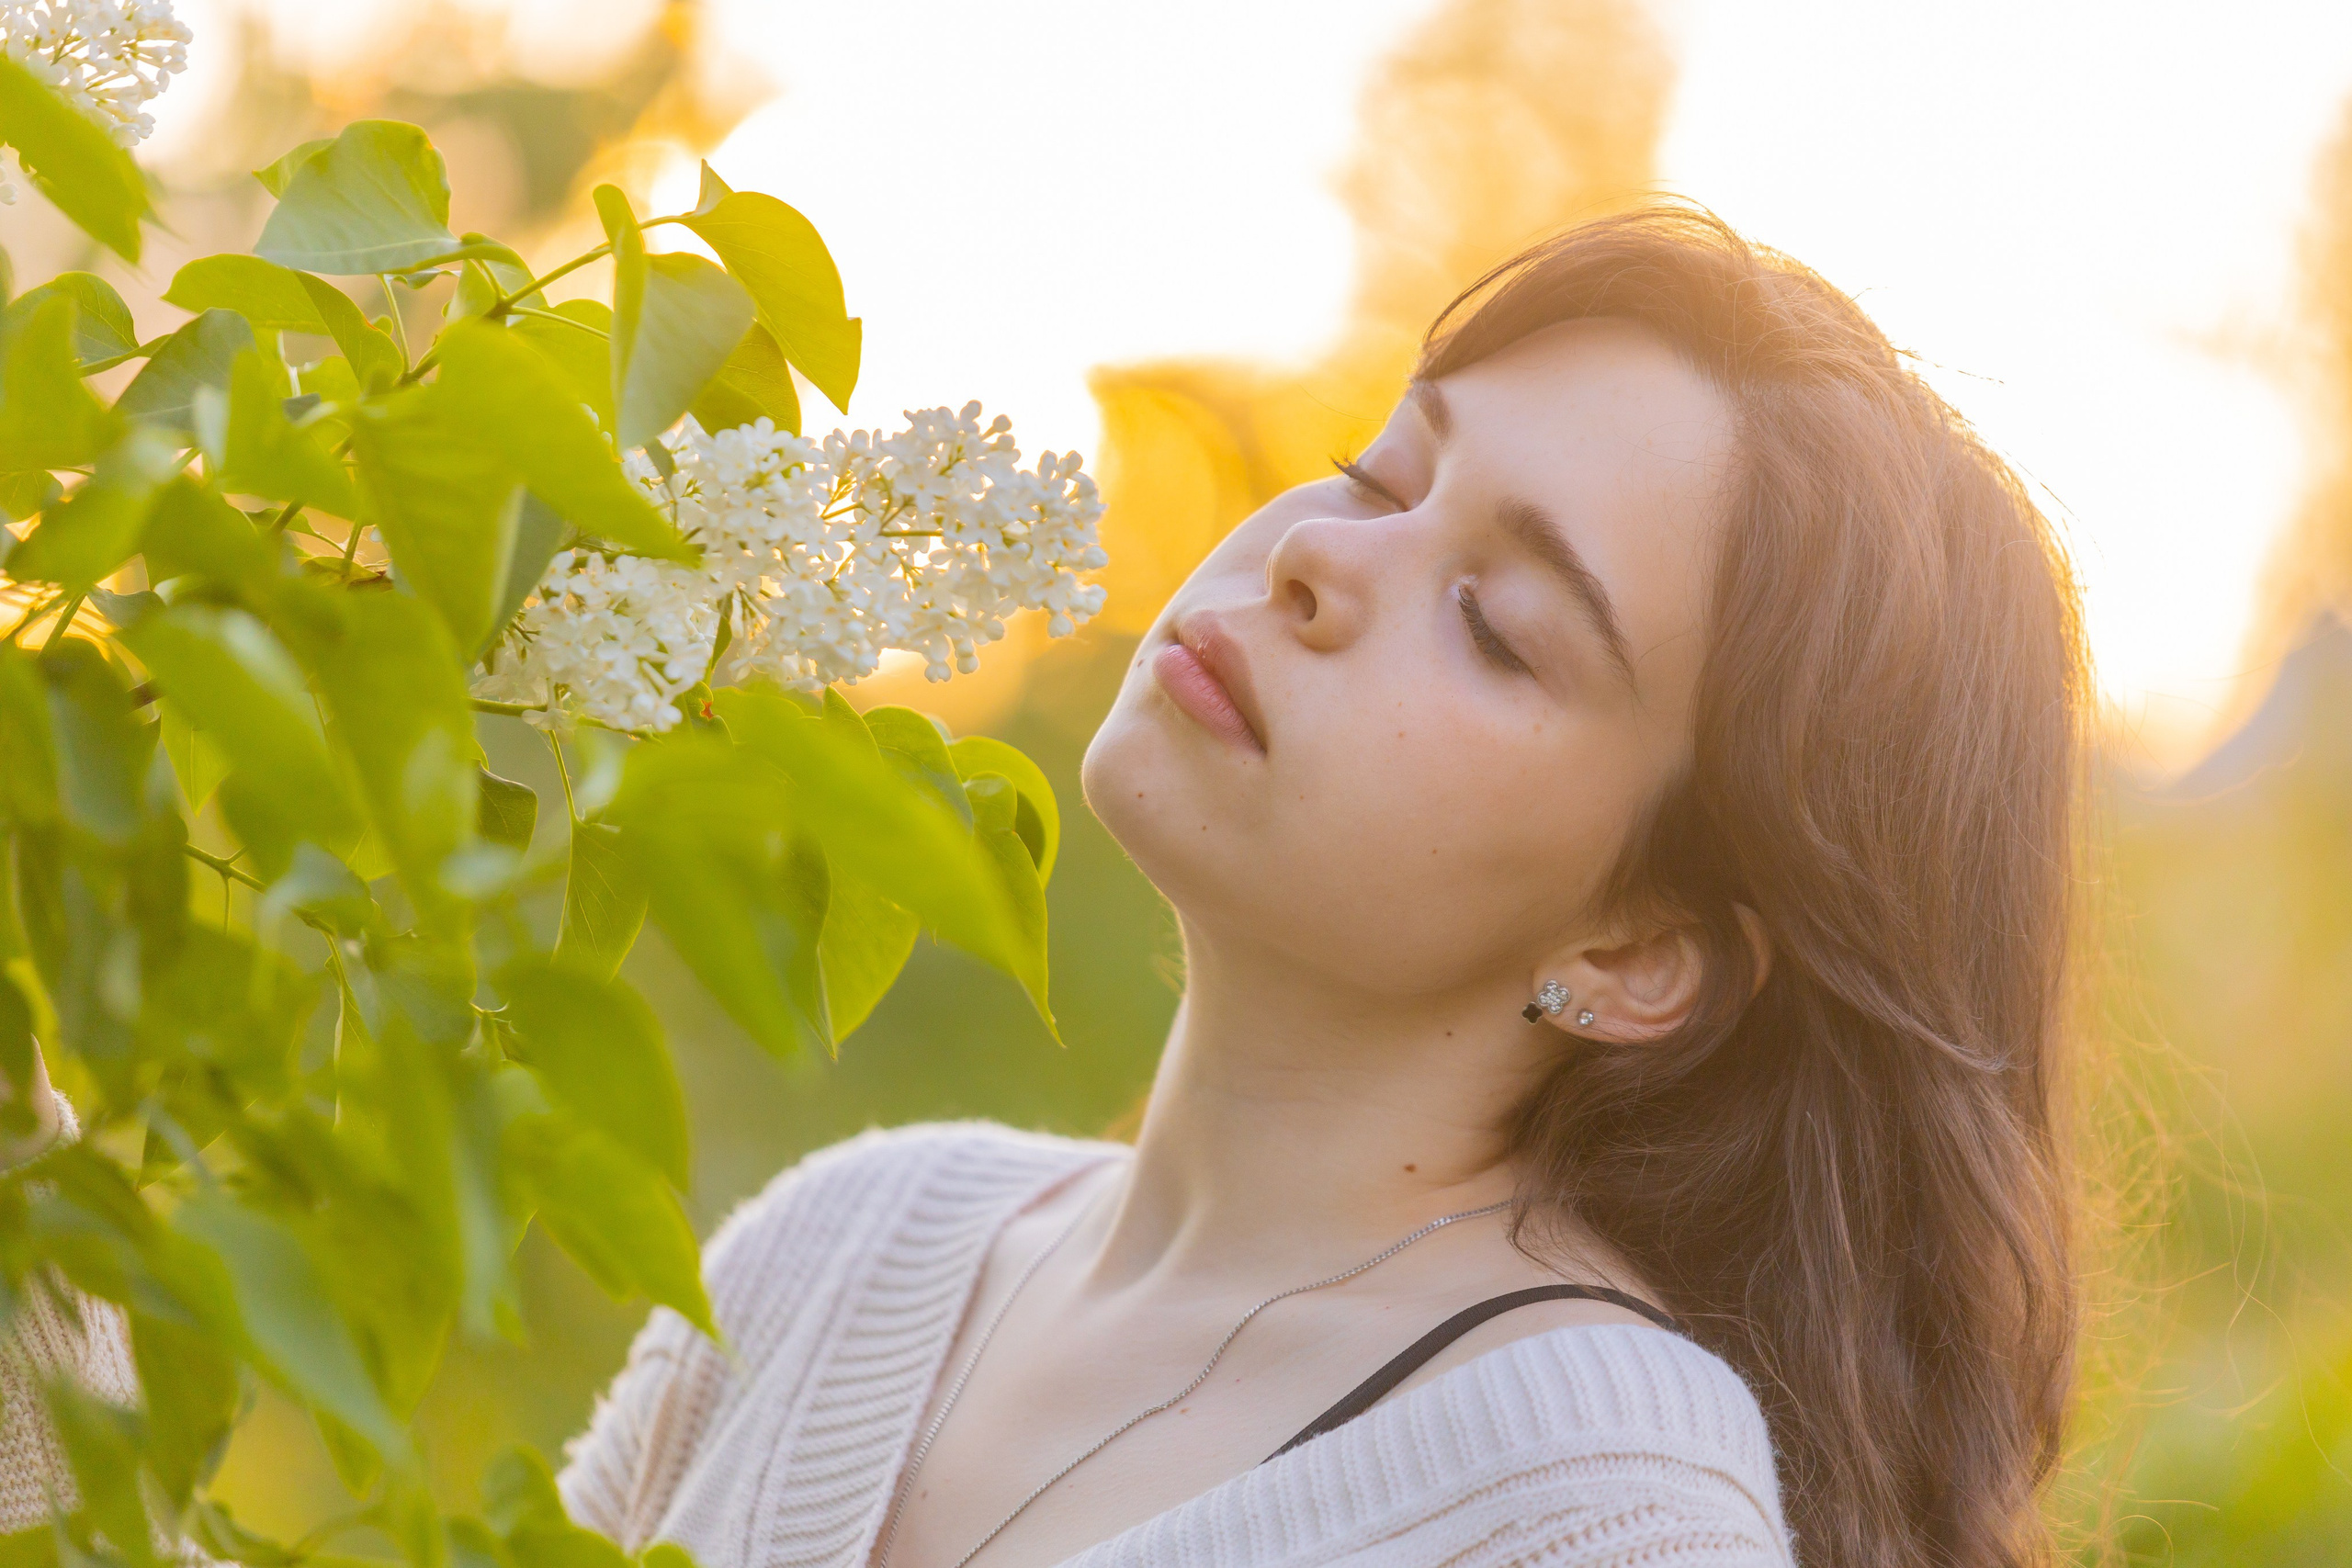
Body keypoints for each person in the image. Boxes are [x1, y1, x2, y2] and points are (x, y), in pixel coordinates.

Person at [3, 204, 2085, 1568]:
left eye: (1503, 622)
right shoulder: (844, 1251)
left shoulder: (1593, 1508)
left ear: (1637, 952)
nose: (1312, 556)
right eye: (1380, 468)